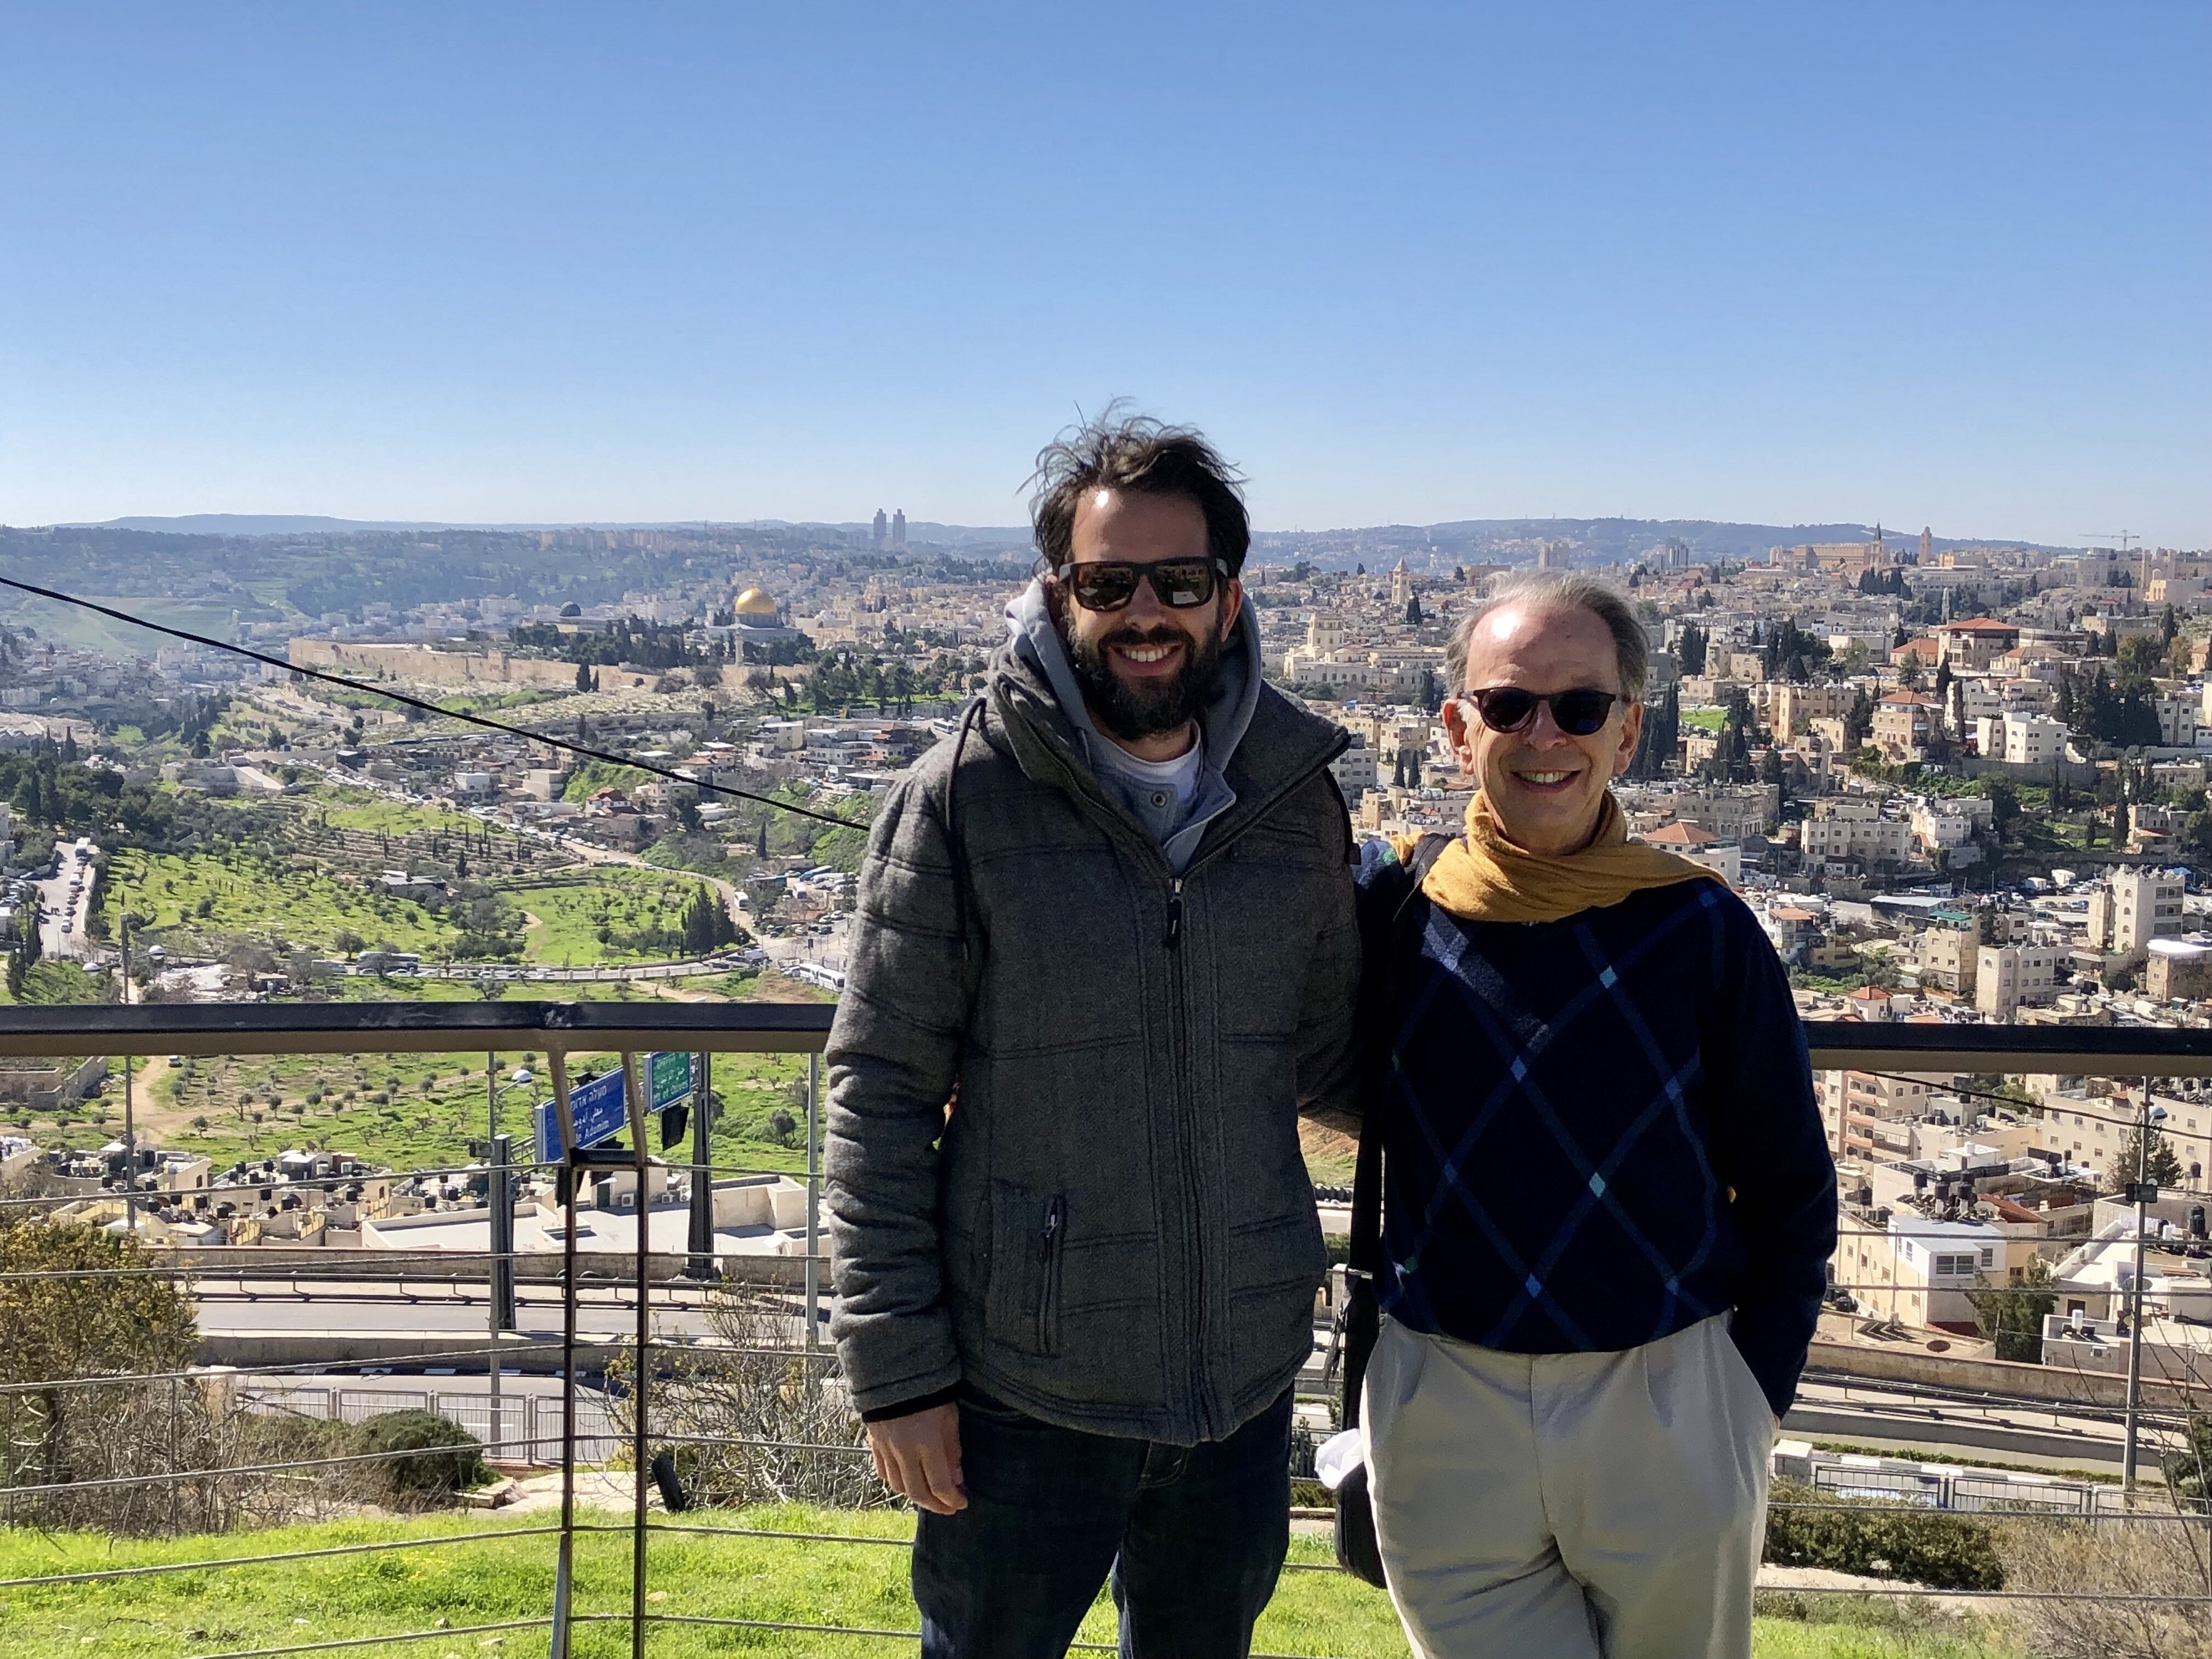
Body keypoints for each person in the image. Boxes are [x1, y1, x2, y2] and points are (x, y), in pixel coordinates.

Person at [824, 412, 1362, 1658]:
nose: (1144, 612)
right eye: (1108, 583)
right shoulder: (963, 797)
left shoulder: (1293, 799)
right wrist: (897, 1376)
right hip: (1026, 1386)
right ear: (1057, 593)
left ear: (1228, 598)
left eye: (1178, 581)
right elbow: (879, 1093)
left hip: (1239, 1379)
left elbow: (1336, 1060)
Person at [1353, 570, 1835, 1659]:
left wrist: (1746, 1401)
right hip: (1445, 1402)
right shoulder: (1394, 918)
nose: (1543, 735)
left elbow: (1791, 1187)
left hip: (1668, 1396)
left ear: (1626, 734)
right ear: (1454, 727)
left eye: (1579, 708)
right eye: (1508, 704)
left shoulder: (1704, 929)